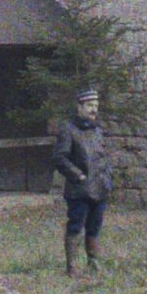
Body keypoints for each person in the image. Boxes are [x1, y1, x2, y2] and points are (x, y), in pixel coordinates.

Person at [52, 84, 113, 277]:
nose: (94, 109)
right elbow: (59, 158)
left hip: (100, 187)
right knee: (76, 225)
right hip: (79, 190)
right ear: (79, 107)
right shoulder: (68, 130)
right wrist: (78, 175)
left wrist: (107, 176)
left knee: (95, 225)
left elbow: (102, 156)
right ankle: (72, 266)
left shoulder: (97, 130)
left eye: (96, 105)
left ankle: (93, 262)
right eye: (89, 105)